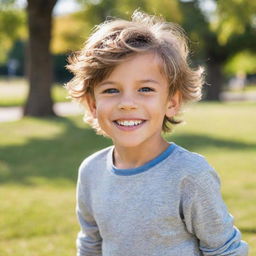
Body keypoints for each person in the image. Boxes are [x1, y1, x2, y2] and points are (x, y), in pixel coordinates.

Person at [66, 10, 248, 256]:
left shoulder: (190, 174)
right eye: (111, 90)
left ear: (171, 102)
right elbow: (91, 244)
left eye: (145, 89)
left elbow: (225, 250)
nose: (127, 103)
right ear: (92, 104)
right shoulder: (90, 172)